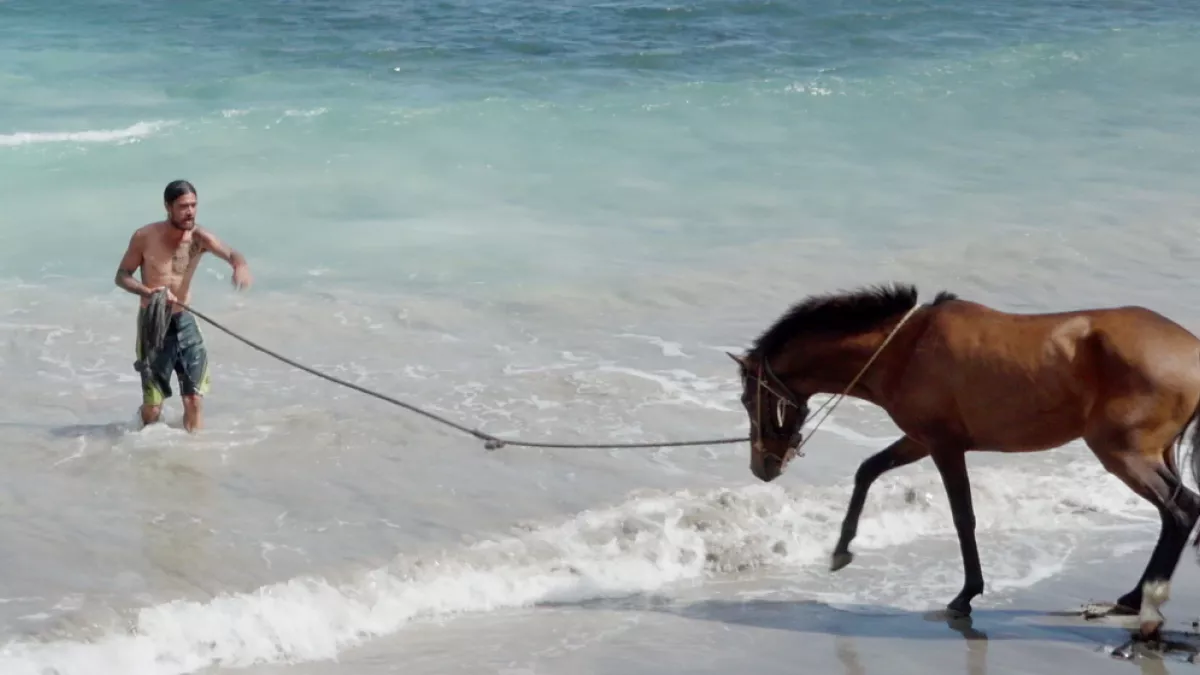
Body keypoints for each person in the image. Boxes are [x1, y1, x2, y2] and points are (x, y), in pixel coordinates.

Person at [114, 180, 253, 432]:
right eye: (183, 206)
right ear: (168, 207)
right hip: (154, 325)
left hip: (185, 322)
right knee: (154, 407)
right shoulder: (145, 236)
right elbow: (122, 276)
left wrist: (239, 266)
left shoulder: (199, 238)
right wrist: (148, 292)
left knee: (193, 399)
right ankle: (140, 444)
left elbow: (232, 253)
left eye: (193, 205)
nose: (190, 212)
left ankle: (193, 456)